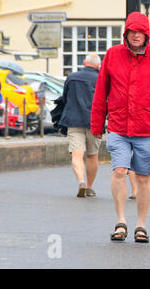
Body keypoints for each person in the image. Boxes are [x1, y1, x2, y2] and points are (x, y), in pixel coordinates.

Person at [91, 12, 150, 243]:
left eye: (140, 32)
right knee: (119, 171)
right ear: (126, 33)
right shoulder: (112, 55)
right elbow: (101, 92)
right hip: (118, 126)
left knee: (142, 177)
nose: (136, 35)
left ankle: (141, 225)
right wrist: (97, 123)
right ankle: (121, 221)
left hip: (146, 128)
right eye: (132, 31)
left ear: (146, 34)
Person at [60, 54, 101, 198]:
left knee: (77, 154)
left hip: (74, 120)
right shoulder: (101, 79)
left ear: (84, 62)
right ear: (98, 66)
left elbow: (65, 97)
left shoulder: (71, 77)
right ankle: (89, 187)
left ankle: (81, 181)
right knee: (92, 155)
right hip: (94, 122)